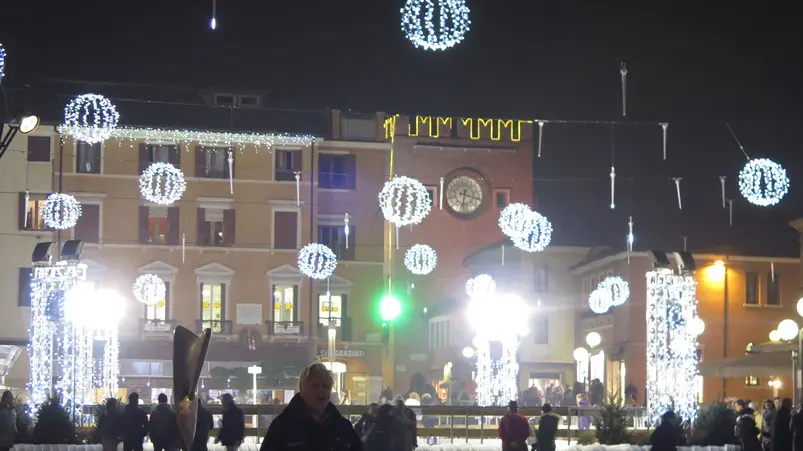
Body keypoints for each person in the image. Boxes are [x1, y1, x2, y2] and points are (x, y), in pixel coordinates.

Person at [259, 362, 362, 451]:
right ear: (302, 388)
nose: (320, 391)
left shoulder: (343, 427)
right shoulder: (283, 427)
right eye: (315, 386)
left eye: (325, 386)